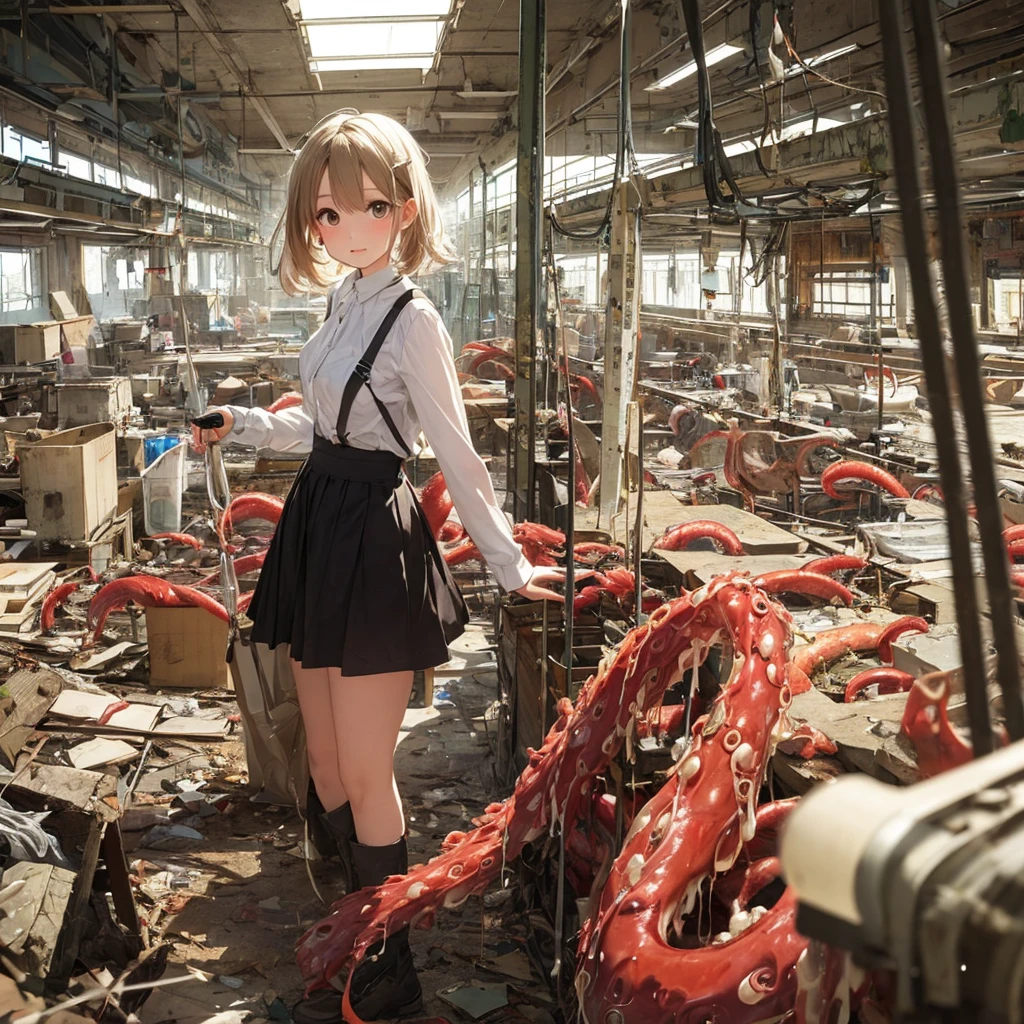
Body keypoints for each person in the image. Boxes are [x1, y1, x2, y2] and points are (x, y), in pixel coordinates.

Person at [192, 110, 565, 1024]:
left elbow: (454, 451)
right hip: (318, 520)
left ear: (402, 207)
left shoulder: (414, 320)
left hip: (372, 540)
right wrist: (242, 424)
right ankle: (347, 909)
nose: (348, 226)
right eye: (327, 212)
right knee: (320, 764)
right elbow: (323, 431)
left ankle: (389, 960)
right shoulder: (339, 305)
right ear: (311, 222)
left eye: (368, 205)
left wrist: (511, 566)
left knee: (364, 769)